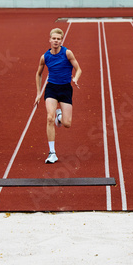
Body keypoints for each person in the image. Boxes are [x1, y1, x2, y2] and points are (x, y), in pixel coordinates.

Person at [35, 28, 82, 164]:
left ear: (61, 41)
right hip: (52, 89)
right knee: (50, 118)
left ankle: (60, 117)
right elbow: (38, 74)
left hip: (66, 89)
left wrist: (76, 79)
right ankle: (52, 153)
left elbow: (78, 69)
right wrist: (38, 93)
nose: (56, 41)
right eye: (54, 38)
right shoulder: (45, 57)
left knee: (67, 124)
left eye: (58, 39)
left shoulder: (67, 53)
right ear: (50, 40)